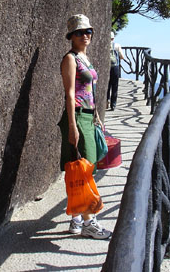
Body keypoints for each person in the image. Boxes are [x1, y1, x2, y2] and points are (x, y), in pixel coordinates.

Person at [58, 14, 112, 240]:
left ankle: (77, 217)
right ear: (71, 36)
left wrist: (97, 115)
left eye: (88, 31)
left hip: (88, 117)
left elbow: (89, 91)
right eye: (79, 32)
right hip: (78, 117)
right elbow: (70, 95)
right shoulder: (70, 59)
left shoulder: (84, 58)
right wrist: (73, 126)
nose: (85, 35)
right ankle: (89, 221)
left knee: (81, 168)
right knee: (83, 169)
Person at [106, 31, 124, 111]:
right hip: (115, 67)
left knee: (107, 85)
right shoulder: (117, 45)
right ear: (113, 38)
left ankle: (107, 100)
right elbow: (122, 56)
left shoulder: (104, 46)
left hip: (106, 68)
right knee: (115, 86)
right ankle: (113, 104)